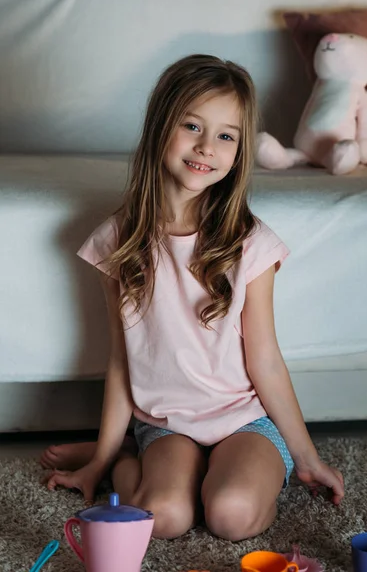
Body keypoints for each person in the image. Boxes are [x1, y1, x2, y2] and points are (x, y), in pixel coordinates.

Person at [41, 54, 344, 542]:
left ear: (239, 151)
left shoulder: (251, 244)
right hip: (166, 425)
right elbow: (123, 359)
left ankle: (225, 474)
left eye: (226, 135)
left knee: (230, 514)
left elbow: (264, 360)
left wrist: (307, 457)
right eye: (192, 126)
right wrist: (102, 454)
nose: (207, 146)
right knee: (163, 519)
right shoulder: (115, 244)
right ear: (162, 126)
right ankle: (124, 461)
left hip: (243, 421)